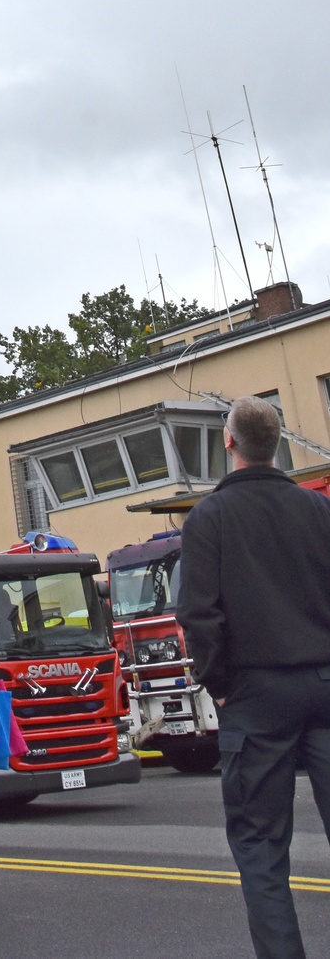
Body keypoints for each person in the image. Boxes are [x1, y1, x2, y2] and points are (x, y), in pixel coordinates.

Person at [176, 394, 330, 959]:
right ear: (279, 443)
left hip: (256, 691)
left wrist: (219, 684)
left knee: (262, 848)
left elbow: (199, 613)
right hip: (325, 681)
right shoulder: (320, 511)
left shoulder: (209, 518)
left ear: (228, 442)